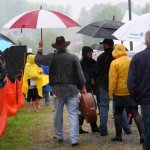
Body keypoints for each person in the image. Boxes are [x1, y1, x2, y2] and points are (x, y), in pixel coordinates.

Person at [35, 36, 86, 146]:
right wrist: (83, 87)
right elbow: (80, 74)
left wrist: (40, 48)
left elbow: (37, 59)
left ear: (56, 47)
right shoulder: (73, 57)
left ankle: (59, 136)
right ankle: (74, 139)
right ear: (65, 46)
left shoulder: (52, 57)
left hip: (57, 91)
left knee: (58, 114)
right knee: (73, 114)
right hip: (72, 89)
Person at [109, 44, 144, 143]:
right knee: (135, 113)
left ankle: (118, 136)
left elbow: (112, 80)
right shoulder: (131, 60)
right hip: (131, 91)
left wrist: (110, 93)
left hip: (119, 93)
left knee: (118, 113)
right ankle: (143, 136)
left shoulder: (114, 63)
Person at [127, 31, 150, 150]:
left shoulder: (137, 57)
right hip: (145, 99)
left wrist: (137, 98)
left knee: (148, 131)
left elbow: (131, 83)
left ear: (146, 42)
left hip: (146, 100)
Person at [79, 46, 99, 133]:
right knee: (86, 107)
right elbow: (81, 75)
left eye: (91, 52)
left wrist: (93, 77)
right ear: (85, 53)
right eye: (89, 52)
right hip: (84, 88)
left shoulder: (93, 62)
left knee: (90, 107)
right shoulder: (81, 63)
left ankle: (92, 126)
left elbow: (96, 72)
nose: (91, 54)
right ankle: (83, 127)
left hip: (90, 87)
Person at [96, 39, 114, 136]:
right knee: (119, 107)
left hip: (104, 85)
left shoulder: (101, 57)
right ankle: (126, 128)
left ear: (106, 45)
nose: (103, 46)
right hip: (115, 85)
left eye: (103, 44)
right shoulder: (116, 56)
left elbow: (97, 71)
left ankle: (103, 129)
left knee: (103, 107)